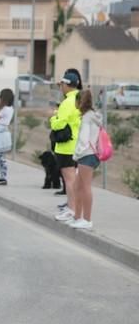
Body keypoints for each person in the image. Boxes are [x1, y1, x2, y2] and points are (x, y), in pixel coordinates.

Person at [52, 69, 83, 223]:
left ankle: (72, 210)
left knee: (69, 180)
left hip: (66, 146)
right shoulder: (80, 99)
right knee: (74, 179)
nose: (61, 87)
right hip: (77, 144)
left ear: (67, 85)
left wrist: (53, 118)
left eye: (62, 84)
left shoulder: (67, 102)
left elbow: (59, 124)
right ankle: (75, 210)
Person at [69, 89, 101, 230]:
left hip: (86, 155)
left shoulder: (87, 118)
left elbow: (84, 140)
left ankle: (87, 220)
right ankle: (77, 217)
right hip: (90, 155)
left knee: (85, 187)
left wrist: (76, 155)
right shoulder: (93, 116)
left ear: (79, 102)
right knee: (77, 186)